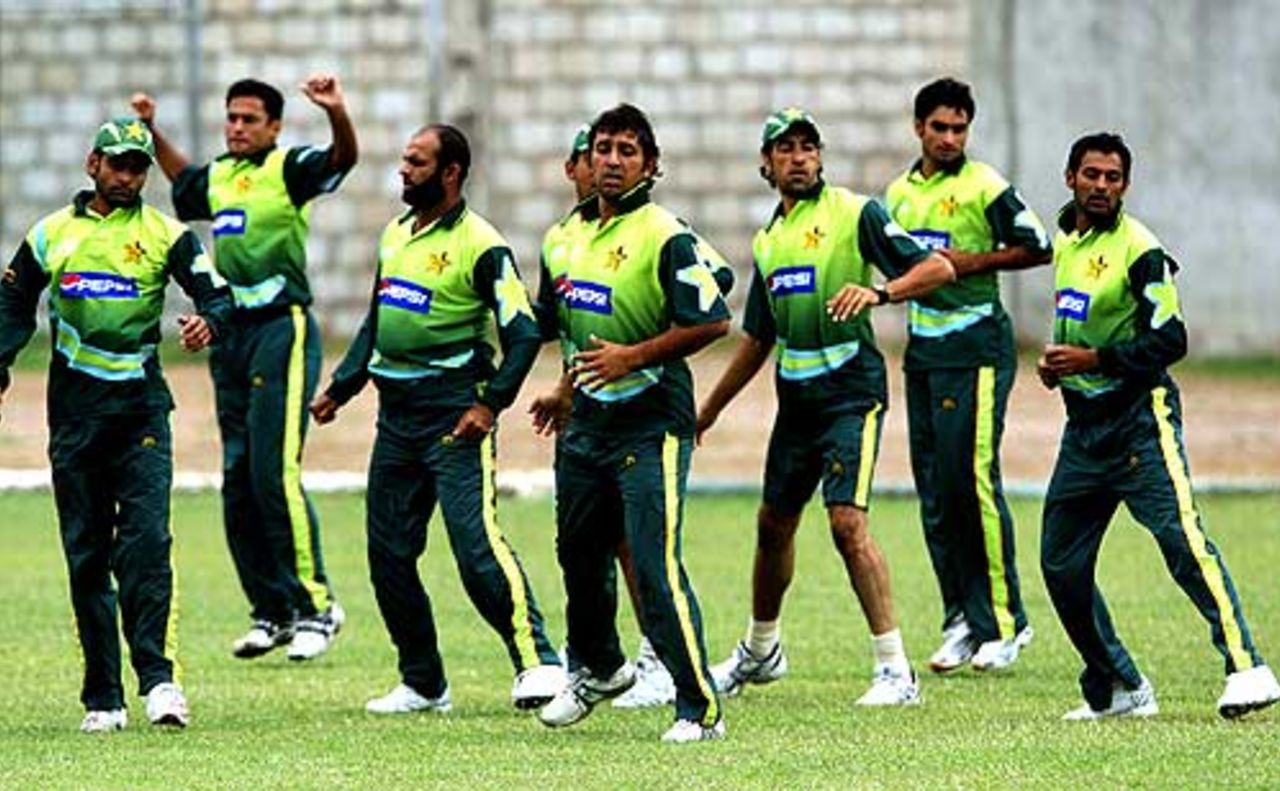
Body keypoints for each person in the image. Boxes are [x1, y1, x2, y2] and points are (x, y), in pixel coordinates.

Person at [697, 108, 957, 706]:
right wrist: (708, 410)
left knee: (846, 523)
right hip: (798, 404)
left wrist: (881, 290)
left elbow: (937, 267)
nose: (798, 156)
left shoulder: (855, 212)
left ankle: (896, 671)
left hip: (851, 393)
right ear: (766, 164)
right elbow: (758, 339)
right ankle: (761, 652)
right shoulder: (768, 241)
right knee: (772, 524)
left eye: (807, 146)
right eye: (784, 148)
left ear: (820, 156)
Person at [307, 123, 566, 713]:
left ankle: (540, 662)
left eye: (416, 162)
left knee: (475, 548)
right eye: (403, 159)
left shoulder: (482, 245)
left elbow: (523, 334)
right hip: (395, 419)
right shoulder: (395, 235)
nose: (403, 170)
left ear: (450, 173)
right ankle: (423, 681)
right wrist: (341, 389)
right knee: (388, 555)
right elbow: (377, 322)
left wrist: (488, 404)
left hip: (454, 415)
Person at [0, 117, 233, 732]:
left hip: (141, 414)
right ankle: (104, 696)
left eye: (139, 166)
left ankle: (159, 681)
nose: (129, 176)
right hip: (74, 417)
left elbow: (217, 295)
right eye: (118, 163)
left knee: (148, 545)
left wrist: (209, 322)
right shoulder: (52, 234)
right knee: (86, 557)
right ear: (93, 164)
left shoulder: (166, 235)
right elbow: (13, 302)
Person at [1038, 132, 1280, 720]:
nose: (1101, 186)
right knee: (1060, 564)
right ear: (1070, 176)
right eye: (1091, 174)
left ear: (1125, 185)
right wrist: (1061, 368)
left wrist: (1096, 362)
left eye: (1113, 178)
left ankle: (1247, 667)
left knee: (1181, 541)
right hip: (1084, 431)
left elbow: (1172, 338)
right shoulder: (1066, 236)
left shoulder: (1141, 250)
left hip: (1139, 422)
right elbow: (1085, 322)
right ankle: (1120, 685)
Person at [130, 75, 357, 661]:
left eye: (250, 119)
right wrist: (152, 131)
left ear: (274, 127)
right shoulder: (221, 178)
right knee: (236, 477)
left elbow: (342, 159)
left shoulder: (289, 169)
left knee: (272, 469)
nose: (237, 127)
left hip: (282, 328)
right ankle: (272, 611)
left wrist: (336, 112)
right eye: (231, 117)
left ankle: (317, 606)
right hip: (230, 335)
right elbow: (183, 182)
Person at [530, 104, 729, 742]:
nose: (612, 161)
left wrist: (632, 357)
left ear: (651, 165)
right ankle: (599, 669)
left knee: (651, 560)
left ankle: (698, 707)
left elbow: (713, 318)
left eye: (626, 151)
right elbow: (559, 327)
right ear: (585, 161)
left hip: (652, 422)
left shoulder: (665, 234)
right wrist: (563, 388)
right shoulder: (562, 238)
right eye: (603, 150)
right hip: (585, 424)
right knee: (577, 555)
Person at [885, 77, 1050, 673]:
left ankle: (1005, 624)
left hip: (977, 348)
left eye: (960, 129)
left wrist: (967, 264)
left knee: (972, 481)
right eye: (940, 128)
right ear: (919, 128)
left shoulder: (986, 186)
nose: (951, 138)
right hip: (924, 353)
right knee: (934, 489)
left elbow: (1038, 246)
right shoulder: (898, 194)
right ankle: (960, 618)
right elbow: (893, 265)